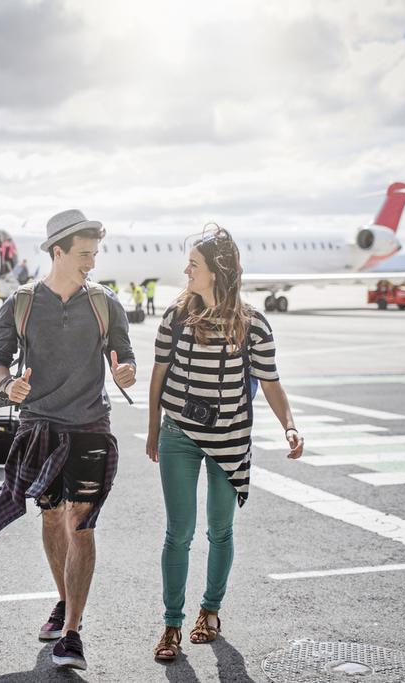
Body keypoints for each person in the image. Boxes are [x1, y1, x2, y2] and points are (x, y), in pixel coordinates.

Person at [0, 209, 137, 672]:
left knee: (81, 524)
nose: (92, 261)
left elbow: (123, 353)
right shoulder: (22, 302)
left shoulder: (104, 302)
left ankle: (72, 632)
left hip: (90, 426)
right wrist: (7, 385)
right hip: (38, 427)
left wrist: (124, 369)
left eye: (95, 252)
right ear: (58, 252)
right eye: (84, 253)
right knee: (51, 520)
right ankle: (63, 600)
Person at [146, 228, 303, 662]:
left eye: (193, 264)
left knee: (220, 529)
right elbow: (158, 375)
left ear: (217, 271)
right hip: (179, 434)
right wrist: (154, 430)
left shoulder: (252, 323)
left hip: (230, 437)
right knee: (178, 532)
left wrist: (289, 425)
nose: (186, 271)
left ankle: (210, 611)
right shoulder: (175, 316)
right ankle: (172, 624)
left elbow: (270, 382)